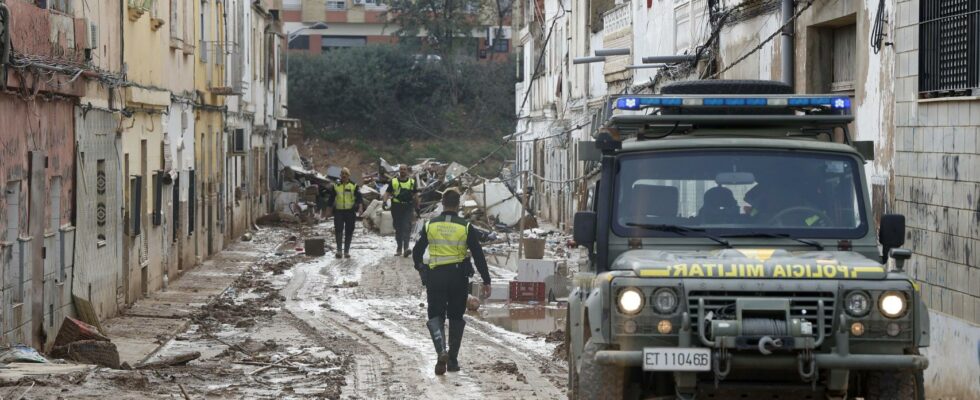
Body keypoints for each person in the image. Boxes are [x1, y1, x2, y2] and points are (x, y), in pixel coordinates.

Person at [412, 189, 491, 375]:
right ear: (458, 205)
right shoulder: (465, 227)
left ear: (442, 203)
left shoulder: (430, 225)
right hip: (458, 277)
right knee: (456, 317)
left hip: (436, 277)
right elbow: (479, 256)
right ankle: (453, 361)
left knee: (435, 315)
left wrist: (421, 268)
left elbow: (417, 252)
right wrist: (486, 280)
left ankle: (441, 351)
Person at [326, 168, 363, 258]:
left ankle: (346, 251)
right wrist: (328, 210)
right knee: (338, 230)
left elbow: (359, 198)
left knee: (349, 231)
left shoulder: (354, 186)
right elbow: (331, 199)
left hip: (350, 212)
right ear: (340, 175)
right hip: (339, 211)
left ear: (349, 175)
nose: (344, 175)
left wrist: (360, 208)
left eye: (346, 174)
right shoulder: (336, 186)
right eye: (342, 173)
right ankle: (339, 251)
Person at [383, 164, 419, 257]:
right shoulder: (393, 181)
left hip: (408, 207)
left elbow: (415, 196)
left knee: (407, 227)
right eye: (401, 169)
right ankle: (399, 248)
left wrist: (417, 207)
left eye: (404, 169)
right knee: (398, 228)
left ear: (407, 171)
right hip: (396, 207)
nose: (402, 171)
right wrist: (384, 202)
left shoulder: (411, 182)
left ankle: (406, 248)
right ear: (399, 171)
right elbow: (387, 192)